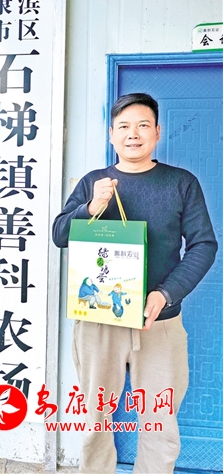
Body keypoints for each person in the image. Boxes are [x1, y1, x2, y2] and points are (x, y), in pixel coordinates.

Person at [52, 93, 217, 474]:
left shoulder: (181, 183)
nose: (133, 134)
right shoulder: (94, 183)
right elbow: (60, 234)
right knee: (95, 417)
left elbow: (204, 245)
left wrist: (165, 294)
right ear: (111, 134)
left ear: (157, 132)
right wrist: (90, 208)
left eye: (143, 125)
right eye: (124, 127)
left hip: (159, 323)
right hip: (98, 323)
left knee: (160, 420)